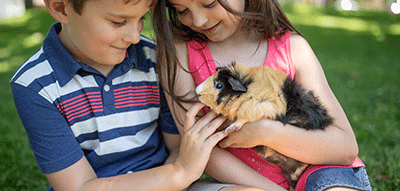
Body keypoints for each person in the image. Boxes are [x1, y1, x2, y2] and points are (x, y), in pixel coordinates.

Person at [10, 0, 240, 190]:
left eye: (141, 19)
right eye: (119, 22)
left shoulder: (155, 58)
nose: (134, 37)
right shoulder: (34, 85)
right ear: (61, 7)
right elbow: (79, 187)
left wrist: (178, 175)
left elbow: (178, 147)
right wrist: (178, 173)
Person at [152, 0, 372, 190]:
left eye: (209, 3)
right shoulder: (179, 53)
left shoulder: (294, 50)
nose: (198, 20)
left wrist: (266, 132)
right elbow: (201, 150)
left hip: (321, 171)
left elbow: (344, 148)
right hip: (243, 183)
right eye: (181, 10)